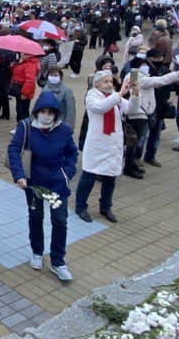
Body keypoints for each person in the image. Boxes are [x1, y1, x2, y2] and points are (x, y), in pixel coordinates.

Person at [8, 90, 78, 281]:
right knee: (36, 216)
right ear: (37, 111)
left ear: (56, 113)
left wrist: (67, 173)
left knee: (59, 220)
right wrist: (19, 175)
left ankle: (58, 261)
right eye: (43, 111)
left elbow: (72, 153)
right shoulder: (26, 127)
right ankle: (37, 251)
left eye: (51, 112)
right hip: (34, 183)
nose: (47, 116)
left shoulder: (63, 130)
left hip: (57, 183)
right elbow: (14, 149)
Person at [74, 70, 129, 224]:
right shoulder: (92, 95)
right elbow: (100, 108)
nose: (110, 84)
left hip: (112, 145)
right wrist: (118, 95)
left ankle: (106, 207)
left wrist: (136, 94)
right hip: (97, 145)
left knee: (110, 178)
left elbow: (131, 109)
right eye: (106, 82)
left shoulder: (114, 97)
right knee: (89, 176)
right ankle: (80, 206)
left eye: (111, 81)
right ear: (97, 84)